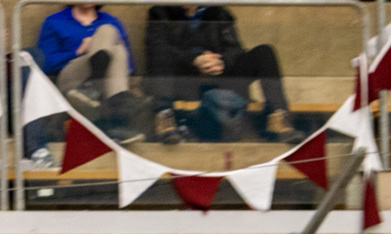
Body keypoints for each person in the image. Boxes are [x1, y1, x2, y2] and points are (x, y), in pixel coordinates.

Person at [143, 5, 303, 145]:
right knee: (160, 51)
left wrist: (221, 62)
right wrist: (195, 60)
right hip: (183, 80)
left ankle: (278, 117)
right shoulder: (160, 13)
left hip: (219, 77)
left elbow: (235, 49)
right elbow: (156, 47)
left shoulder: (218, 12)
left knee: (264, 52)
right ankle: (164, 117)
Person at [36, 4, 149, 143]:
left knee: (117, 49)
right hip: (71, 82)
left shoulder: (111, 20)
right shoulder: (55, 21)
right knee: (107, 31)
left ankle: (94, 91)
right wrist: (79, 51)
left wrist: (100, 47)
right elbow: (45, 63)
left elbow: (129, 66)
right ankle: (118, 120)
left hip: (105, 86)